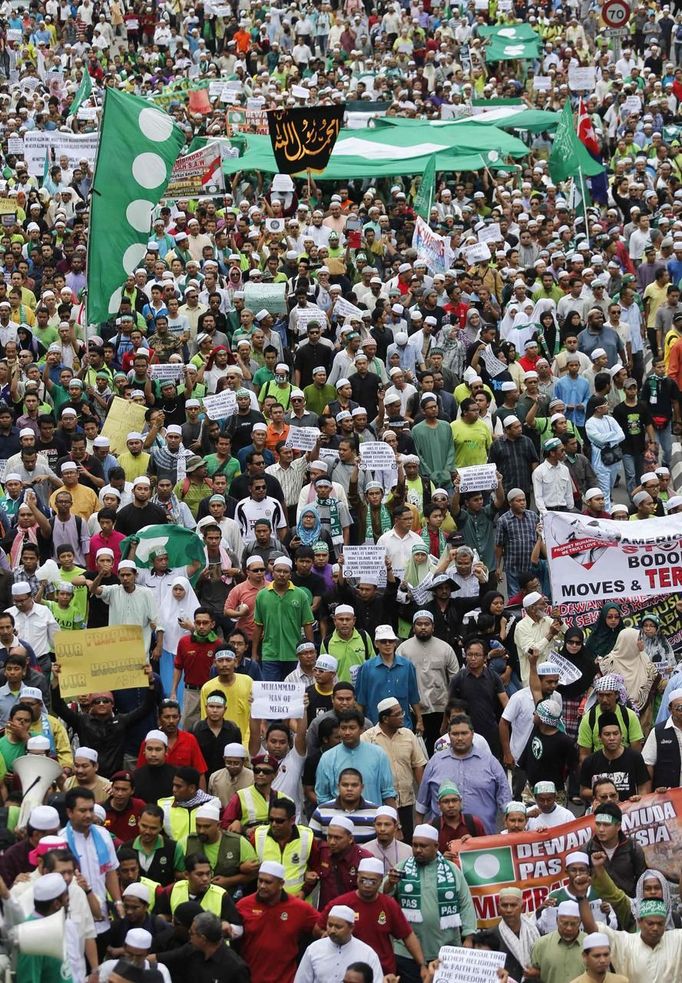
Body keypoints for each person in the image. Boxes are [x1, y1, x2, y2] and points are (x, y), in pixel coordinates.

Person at [384, 823, 476, 981]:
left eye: (423, 846)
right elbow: (382, 897)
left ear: (436, 846)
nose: (418, 850)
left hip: (446, 949)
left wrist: (468, 937)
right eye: (415, 845)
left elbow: (465, 904)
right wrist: (390, 883)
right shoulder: (402, 868)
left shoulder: (451, 870)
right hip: (407, 952)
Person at [416, 714, 511, 834]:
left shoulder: (490, 762)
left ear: (472, 734)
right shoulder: (435, 762)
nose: (460, 738)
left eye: (464, 733)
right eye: (455, 734)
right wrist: (418, 833)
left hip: (483, 839)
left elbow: (506, 802)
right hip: (442, 839)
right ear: (449, 735)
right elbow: (421, 806)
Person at [235, 861, 319, 983]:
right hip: (250, 979)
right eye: (260, 880)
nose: (262, 886)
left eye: (268, 882)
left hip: (285, 979)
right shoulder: (243, 905)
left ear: (281, 884)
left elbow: (323, 925)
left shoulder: (300, 908)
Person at [293, 904, 383, 983]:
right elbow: (301, 980)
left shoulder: (367, 954)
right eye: (330, 925)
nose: (332, 930)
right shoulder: (314, 949)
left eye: (338, 927)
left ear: (351, 928)